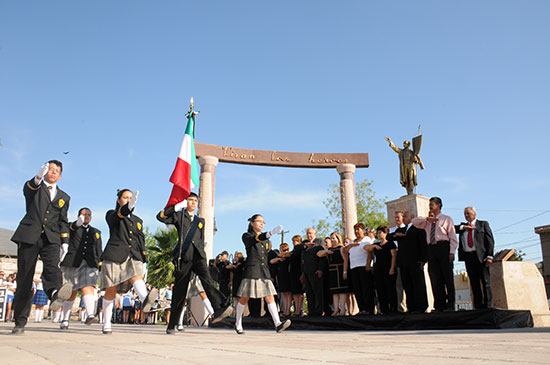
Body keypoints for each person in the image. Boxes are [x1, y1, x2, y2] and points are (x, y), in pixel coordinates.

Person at [10, 160, 73, 335]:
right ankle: (20, 321)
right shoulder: (35, 187)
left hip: (51, 238)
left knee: (53, 267)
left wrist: (65, 241)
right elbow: (29, 189)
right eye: (50, 169)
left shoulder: (64, 197)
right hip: (29, 236)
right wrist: (37, 177)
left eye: (57, 171)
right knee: (25, 277)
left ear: (60, 175)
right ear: (45, 171)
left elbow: (63, 221)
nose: (53, 172)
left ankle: (54, 293)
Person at [157, 193, 232, 334]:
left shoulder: (200, 220)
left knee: (208, 281)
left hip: (199, 257)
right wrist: (176, 207)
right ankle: (172, 324)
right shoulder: (179, 216)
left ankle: (220, 307)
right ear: (186, 202)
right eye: (190, 200)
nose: (193, 203)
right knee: (180, 291)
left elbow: (200, 238)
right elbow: (160, 217)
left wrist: (204, 254)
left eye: (195, 200)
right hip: (184, 257)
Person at [100, 189, 158, 334]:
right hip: (115, 254)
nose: (129, 200)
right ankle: (106, 322)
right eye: (126, 198)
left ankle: (146, 299)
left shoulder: (138, 220)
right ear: (119, 200)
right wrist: (126, 208)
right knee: (111, 289)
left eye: (131, 198)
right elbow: (119, 216)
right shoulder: (111, 214)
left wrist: (144, 259)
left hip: (133, 255)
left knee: (136, 276)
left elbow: (140, 239)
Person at [234, 214, 290, 334]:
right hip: (252, 270)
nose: (261, 224)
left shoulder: (266, 239)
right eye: (259, 221)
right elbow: (255, 240)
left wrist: (268, 235)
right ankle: (238, 322)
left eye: (263, 222)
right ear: (252, 223)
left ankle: (278, 323)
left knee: (270, 297)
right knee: (244, 298)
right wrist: (270, 233)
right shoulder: (247, 235)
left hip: (264, 271)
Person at [59, 207, 102, 330]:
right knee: (70, 291)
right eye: (84, 214)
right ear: (79, 216)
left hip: (89, 262)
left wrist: (99, 266)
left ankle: (90, 315)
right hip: (72, 262)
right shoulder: (71, 227)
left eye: (89, 214)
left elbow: (98, 249)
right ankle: (65, 319)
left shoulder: (96, 232)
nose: (87, 216)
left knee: (88, 286)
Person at [412, 197, 458, 312]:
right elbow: (414, 221)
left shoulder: (446, 219)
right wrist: (427, 218)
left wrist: (452, 251)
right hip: (431, 249)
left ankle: (450, 304)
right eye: (429, 204)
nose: (430, 206)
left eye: (432, 204)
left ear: (439, 205)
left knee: (447, 277)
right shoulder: (427, 222)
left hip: (443, 247)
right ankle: (439, 305)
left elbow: (452, 237)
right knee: (435, 278)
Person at [455, 206, 495, 309]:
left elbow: (489, 240)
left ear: (475, 214)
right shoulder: (463, 227)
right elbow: (453, 229)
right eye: (465, 214)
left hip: (481, 257)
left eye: (468, 213)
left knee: (485, 282)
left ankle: (488, 306)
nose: (467, 216)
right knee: (474, 283)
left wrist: (489, 256)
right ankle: (478, 306)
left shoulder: (483, 224)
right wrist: (464, 228)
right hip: (469, 257)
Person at [390, 211, 429, 313]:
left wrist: (423, 260)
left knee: (418, 284)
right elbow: (389, 237)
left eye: (405, 216)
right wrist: (398, 235)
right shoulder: (401, 230)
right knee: (407, 285)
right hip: (404, 263)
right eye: (403, 216)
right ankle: (411, 306)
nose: (403, 218)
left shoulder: (418, 230)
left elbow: (423, 246)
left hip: (415, 262)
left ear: (411, 217)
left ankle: (421, 306)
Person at [342, 223, 379, 315]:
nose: (356, 232)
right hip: (354, 268)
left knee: (366, 288)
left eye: (358, 229)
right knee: (357, 289)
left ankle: (369, 308)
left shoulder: (366, 240)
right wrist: (351, 245)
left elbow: (370, 251)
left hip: (364, 266)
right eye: (355, 230)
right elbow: (345, 251)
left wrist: (368, 264)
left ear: (363, 230)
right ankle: (361, 308)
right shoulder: (352, 242)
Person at [317, 232, 350, 316]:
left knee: (342, 290)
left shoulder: (341, 248)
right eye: (331, 238)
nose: (332, 240)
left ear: (338, 239)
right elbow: (318, 254)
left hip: (340, 269)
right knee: (334, 292)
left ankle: (343, 309)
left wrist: (345, 271)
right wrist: (326, 252)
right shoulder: (329, 250)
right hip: (332, 271)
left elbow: (345, 260)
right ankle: (336, 310)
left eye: (334, 238)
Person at [372, 226, 397, 315]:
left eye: (380, 232)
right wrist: (374, 245)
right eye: (378, 233)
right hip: (378, 269)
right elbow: (366, 248)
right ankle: (384, 309)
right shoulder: (377, 245)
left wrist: (392, 268)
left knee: (390, 289)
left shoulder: (390, 244)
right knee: (380, 289)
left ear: (385, 233)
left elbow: (394, 256)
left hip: (388, 268)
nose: (379, 234)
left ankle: (393, 308)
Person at [301, 228, 326, 316]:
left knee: (317, 291)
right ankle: (311, 311)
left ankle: (319, 311)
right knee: (309, 292)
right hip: (306, 271)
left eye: (311, 233)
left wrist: (320, 269)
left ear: (315, 233)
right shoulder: (304, 244)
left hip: (315, 270)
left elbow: (322, 256)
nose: (309, 235)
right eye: (308, 233)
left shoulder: (319, 242)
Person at [389, 211, 408, 312]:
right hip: (395, 259)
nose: (397, 219)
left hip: (405, 257)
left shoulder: (407, 229)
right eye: (395, 217)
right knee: (398, 285)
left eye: (398, 217)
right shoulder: (392, 230)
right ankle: (400, 307)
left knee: (407, 284)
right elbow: (389, 238)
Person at [270, 243, 292, 316]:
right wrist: (279, 258)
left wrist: (284, 254)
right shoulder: (279, 257)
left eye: (282, 248)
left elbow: (288, 254)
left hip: (287, 276)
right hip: (281, 276)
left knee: (288, 294)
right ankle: (285, 310)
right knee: (284, 294)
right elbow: (271, 261)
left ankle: (288, 310)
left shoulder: (288, 255)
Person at [288, 235, 305, 316]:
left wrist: (302, 273)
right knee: (295, 292)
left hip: (299, 271)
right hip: (293, 273)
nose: (294, 243)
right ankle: (296, 310)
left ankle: (299, 309)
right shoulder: (293, 251)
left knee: (300, 292)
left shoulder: (301, 249)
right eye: (293, 241)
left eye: (296, 241)